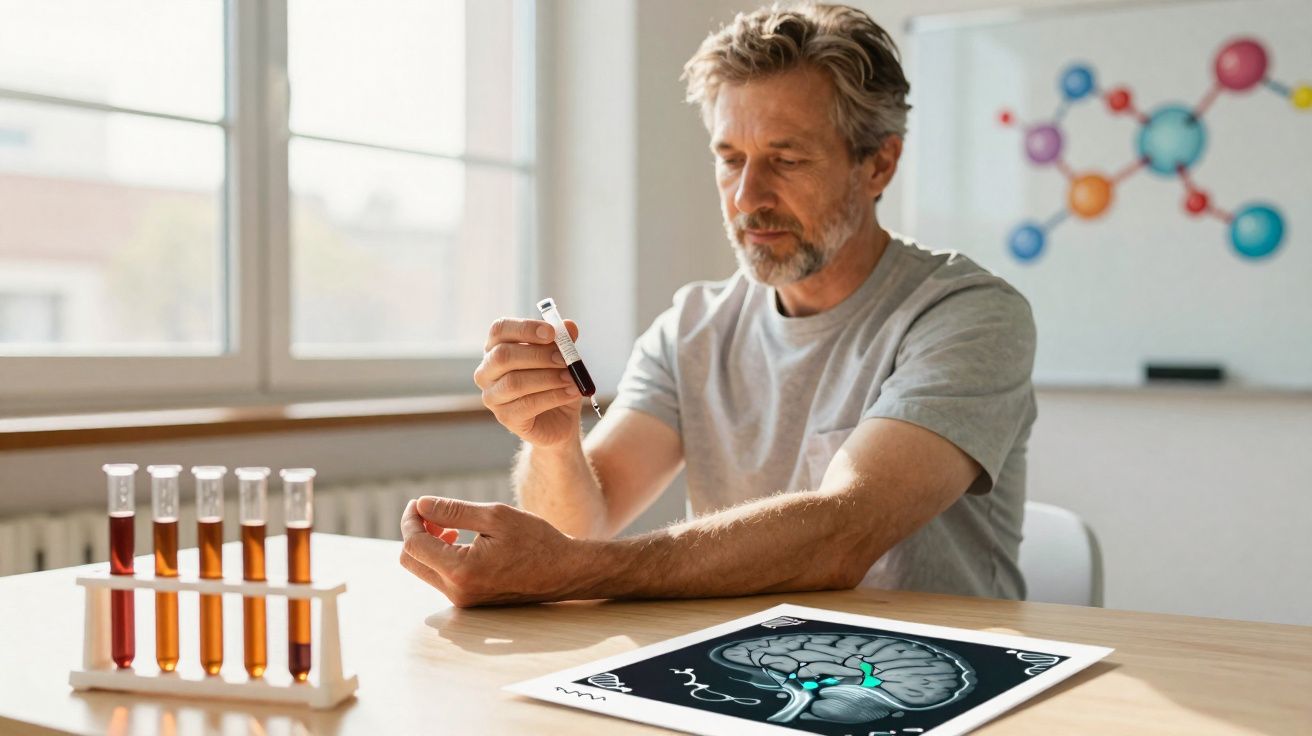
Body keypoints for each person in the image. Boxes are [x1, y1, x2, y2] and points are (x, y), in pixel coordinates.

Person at [399, 2, 1036, 607]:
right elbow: (583, 520)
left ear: (878, 165)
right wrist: (556, 444)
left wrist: (574, 569)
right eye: (730, 160)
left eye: (786, 159)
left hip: (940, 685)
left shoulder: (968, 316)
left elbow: (843, 533)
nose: (747, 196)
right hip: (748, 672)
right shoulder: (692, 328)